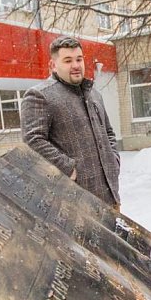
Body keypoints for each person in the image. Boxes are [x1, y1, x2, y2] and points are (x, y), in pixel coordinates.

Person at [21, 36, 121, 208]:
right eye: (67, 60)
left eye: (79, 59)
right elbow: (33, 140)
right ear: (53, 65)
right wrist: (68, 168)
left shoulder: (94, 94)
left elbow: (109, 133)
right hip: (75, 203)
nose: (75, 65)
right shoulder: (40, 96)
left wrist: (113, 160)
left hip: (110, 196)